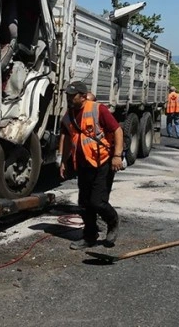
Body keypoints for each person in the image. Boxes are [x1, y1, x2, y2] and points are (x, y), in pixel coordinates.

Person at [58, 81, 124, 250]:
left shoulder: (97, 109)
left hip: (103, 161)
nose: (69, 99)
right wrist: (64, 161)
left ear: (83, 96)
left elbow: (117, 130)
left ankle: (113, 222)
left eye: (73, 96)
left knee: (97, 201)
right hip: (83, 164)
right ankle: (89, 236)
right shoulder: (68, 115)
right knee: (85, 202)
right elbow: (67, 141)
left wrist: (117, 155)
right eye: (67, 96)